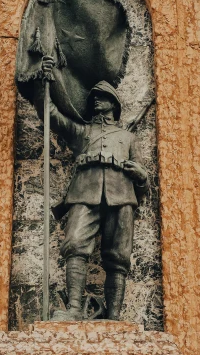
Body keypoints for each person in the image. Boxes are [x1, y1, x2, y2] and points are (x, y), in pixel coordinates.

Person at [36, 55, 148, 321]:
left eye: (102, 96)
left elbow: (144, 177)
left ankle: (114, 315)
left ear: (114, 103)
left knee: (118, 257)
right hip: (84, 193)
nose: (95, 99)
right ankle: (74, 309)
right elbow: (49, 113)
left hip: (121, 195)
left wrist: (140, 174)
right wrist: (44, 80)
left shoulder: (128, 137)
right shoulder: (83, 132)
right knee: (74, 243)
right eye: (94, 97)